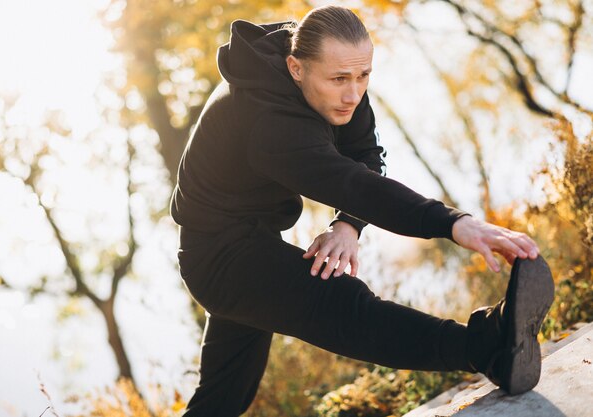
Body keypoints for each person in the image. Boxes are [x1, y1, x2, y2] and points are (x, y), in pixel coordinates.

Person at [170, 6, 554, 417]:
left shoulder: (329, 71)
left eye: (364, 76)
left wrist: (348, 224)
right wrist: (455, 222)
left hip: (255, 237)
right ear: (295, 68)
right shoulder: (268, 123)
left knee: (222, 397)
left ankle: (492, 348)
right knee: (335, 302)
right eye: (340, 80)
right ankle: (489, 348)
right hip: (218, 257)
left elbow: (364, 155)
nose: (353, 94)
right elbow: (356, 185)